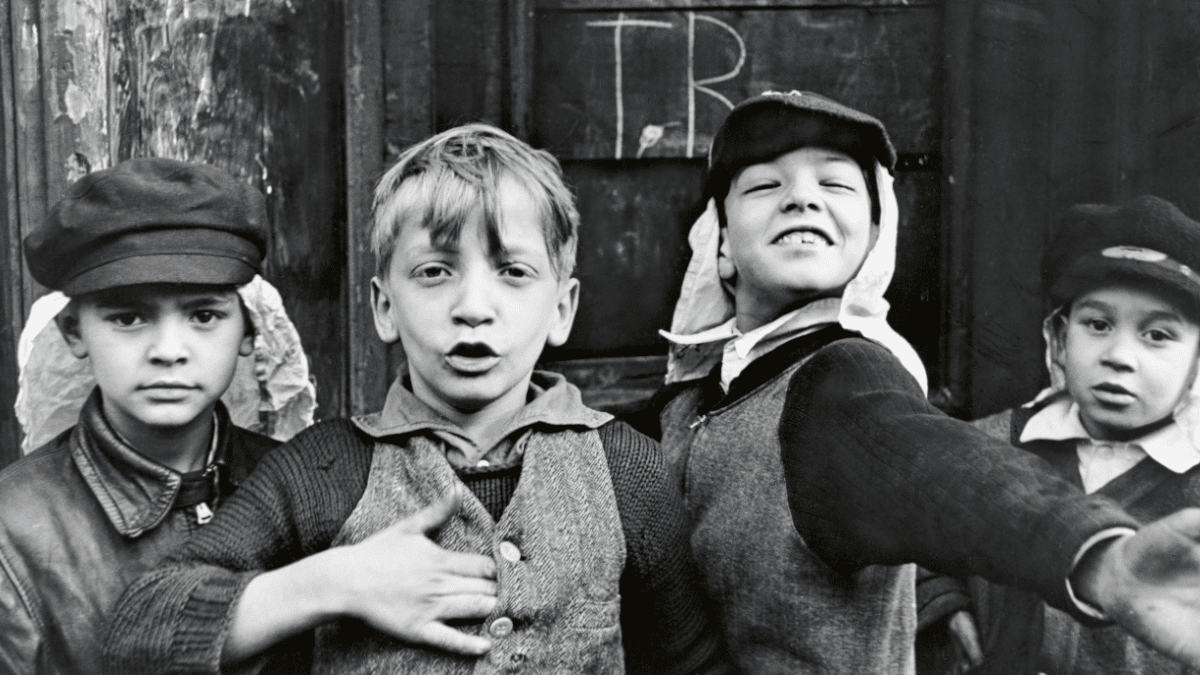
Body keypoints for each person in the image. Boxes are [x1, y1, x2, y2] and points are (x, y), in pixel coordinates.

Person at [104, 123, 730, 675]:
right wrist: (331, 583)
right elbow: (139, 630)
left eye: (513, 272)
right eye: (435, 271)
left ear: (562, 309)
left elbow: (692, 661)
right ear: (384, 307)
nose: (473, 310)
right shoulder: (322, 470)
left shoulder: (628, 471)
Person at [655, 89, 1200, 674]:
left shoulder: (840, 379)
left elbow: (952, 473)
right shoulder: (692, 398)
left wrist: (1100, 559)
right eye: (765, 185)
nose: (801, 198)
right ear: (720, 244)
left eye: (836, 184)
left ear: (873, 237)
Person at [0, 157, 310, 674]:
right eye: (128, 317)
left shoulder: (308, 488)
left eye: (204, 315)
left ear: (250, 332)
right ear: (74, 331)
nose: (169, 350)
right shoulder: (12, 531)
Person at [918, 195, 1200, 674]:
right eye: (1098, 324)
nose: (1118, 355)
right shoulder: (988, 445)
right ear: (1059, 337)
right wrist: (943, 602)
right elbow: (920, 531)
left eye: (1157, 335)